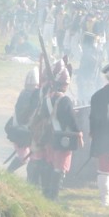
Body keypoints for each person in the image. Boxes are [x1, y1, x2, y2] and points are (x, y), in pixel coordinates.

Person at [40, 60, 83, 200]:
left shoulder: (47, 99)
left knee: (51, 164)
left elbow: (45, 116)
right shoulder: (65, 101)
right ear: (65, 85)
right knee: (59, 167)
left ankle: (46, 192)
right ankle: (54, 196)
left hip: (50, 136)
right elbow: (71, 119)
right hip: (62, 137)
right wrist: (79, 132)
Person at [89, 62, 109, 206]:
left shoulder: (97, 95)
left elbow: (93, 119)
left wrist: (94, 134)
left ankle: (105, 199)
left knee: (104, 167)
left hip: (103, 137)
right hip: (108, 136)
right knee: (106, 168)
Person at [5, 67, 40, 173]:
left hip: (22, 129)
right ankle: (8, 173)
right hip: (21, 130)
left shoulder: (26, 93)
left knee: (30, 157)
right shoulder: (30, 95)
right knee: (24, 157)